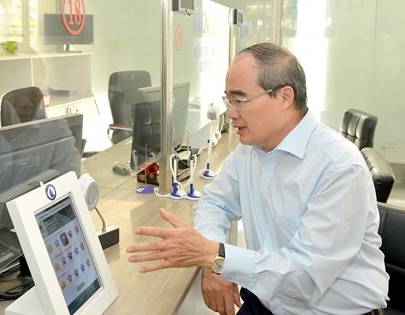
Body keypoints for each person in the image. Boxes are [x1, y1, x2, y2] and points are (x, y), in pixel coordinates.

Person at [126, 42, 389, 314]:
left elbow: (305, 278)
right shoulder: (251, 149)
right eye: (229, 100)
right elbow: (215, 202)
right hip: (267, 297)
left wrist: (217, 255)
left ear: (285, 97)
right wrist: (214, 262)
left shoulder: (339, 167)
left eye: (240, 100)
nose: (231, 112)